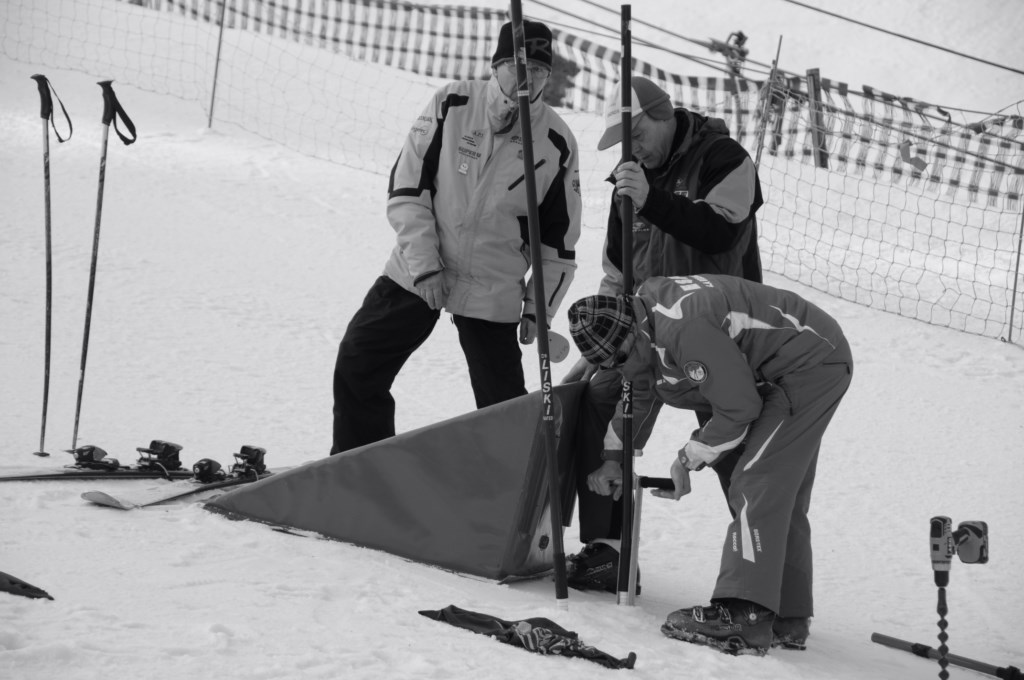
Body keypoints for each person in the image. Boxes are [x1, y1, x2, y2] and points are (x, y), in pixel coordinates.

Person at [565, 274, 853, 655]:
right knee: (779, 490)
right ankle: (787, 615)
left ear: (632, 330)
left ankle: (745, 613)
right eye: (609, 366)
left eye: (619, 357)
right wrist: (614, 459)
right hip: (785, 366)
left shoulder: (685, 330)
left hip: (806, 366)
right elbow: (643, 383)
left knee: (755, 479)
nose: (621, 369)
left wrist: (687, 459)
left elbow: (739, 408)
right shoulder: (644, 320)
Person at [331, 19, 582, 454]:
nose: (528, 79)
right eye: (517, 67)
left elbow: (559, 244)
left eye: (540, 71)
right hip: (420, 268)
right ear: (496, 66)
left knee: (502, 405)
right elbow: (408, 189)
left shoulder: (557, 142)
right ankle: (360, 467)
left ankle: (508, 485)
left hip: (493, 285)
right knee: (358, 361)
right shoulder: (453, 103)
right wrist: (425, 266)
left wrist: (536, 310)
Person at [563, 76, 764, 591]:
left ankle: (761, 584)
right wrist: (601, 345)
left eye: (636, 136)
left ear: (663, 114)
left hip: (720, 340)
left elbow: (721, 231)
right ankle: (608, 549)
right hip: (644, 338)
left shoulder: (725, 159)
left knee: (738, 455)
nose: (631, 150)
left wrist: (651, 200)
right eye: (622, 143)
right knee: (598, 400)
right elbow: (617, 270)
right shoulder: (628, 179)